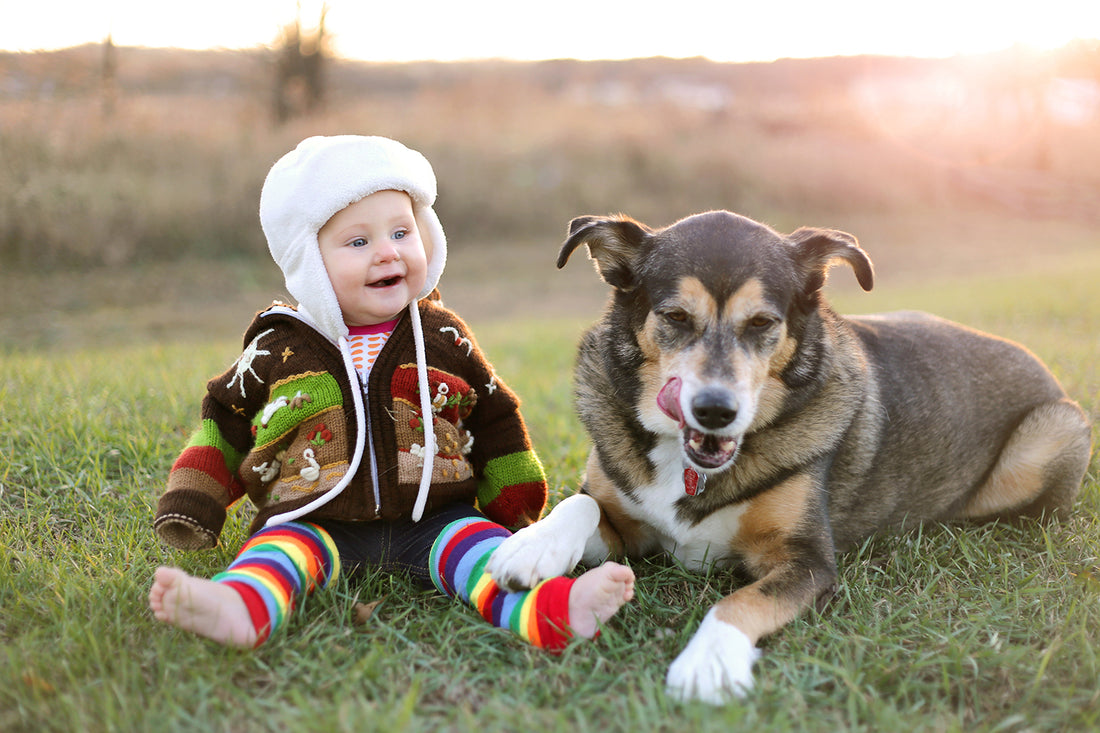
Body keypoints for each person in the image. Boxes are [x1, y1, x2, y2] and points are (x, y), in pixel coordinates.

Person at [149, 135, 634, 650]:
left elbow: (493, 414)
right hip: (313, 518)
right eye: (358, 242)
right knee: (275, 554)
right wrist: (192, 500)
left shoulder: (442, 337)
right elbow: (224, 420)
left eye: (401, 232)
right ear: (309, 262)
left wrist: (514, 496)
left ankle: (554, 610)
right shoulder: (278, 348)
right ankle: (240, 608)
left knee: (486, 557)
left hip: (437, 518)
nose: (387, 252)